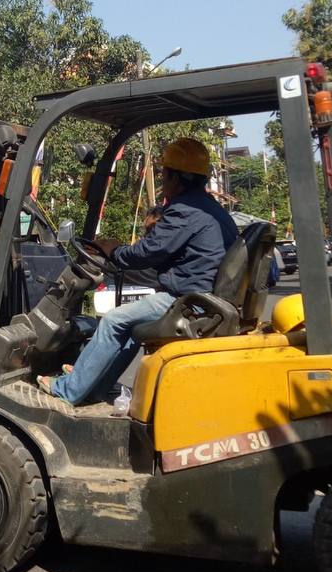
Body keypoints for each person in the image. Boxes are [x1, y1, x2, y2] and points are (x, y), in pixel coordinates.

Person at [39, 138, 237, 406]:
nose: (163, 180)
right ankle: (95, 386)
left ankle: (68, 390)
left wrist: (114, 251)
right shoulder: (210, 208)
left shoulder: (185, 210)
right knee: (132, 327)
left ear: (176, 178)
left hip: (188, 300)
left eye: (164, 174)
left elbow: (148, 252)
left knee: (112, 320)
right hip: (202, 297)